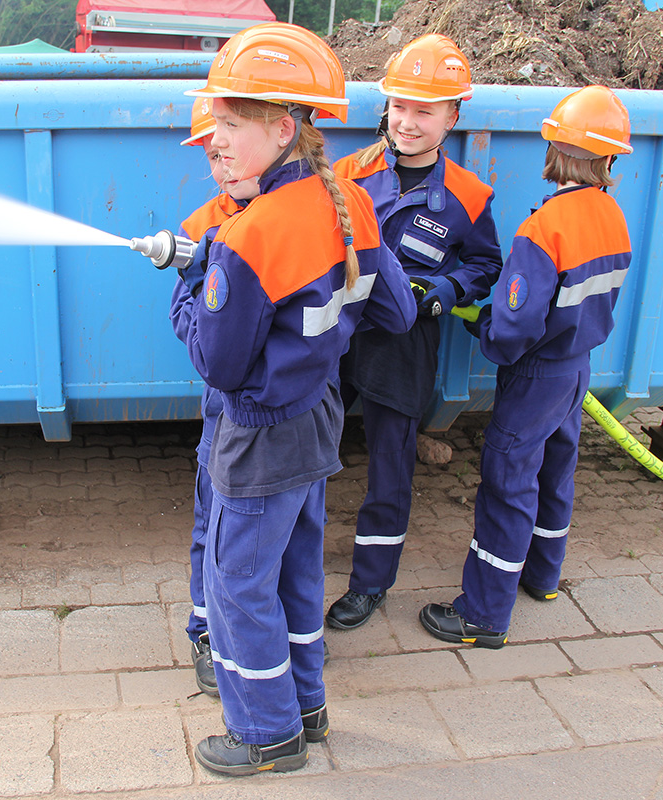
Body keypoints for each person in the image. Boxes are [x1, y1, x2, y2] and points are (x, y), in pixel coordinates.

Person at [171, 22, 417, 776]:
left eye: (231, 123)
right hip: (316, 421)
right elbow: (397, 312)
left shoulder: (247, 238)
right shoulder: (348, 202)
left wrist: (190, 284)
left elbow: (217, 364)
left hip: (259, 435)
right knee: (297, 572)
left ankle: (267, 734)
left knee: (237, 584)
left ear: (284, 129)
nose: (215, 139)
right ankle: (307, 707)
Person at [419, 85, 634, 649]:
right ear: (609, 160)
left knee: (508, 483)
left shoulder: (544, 228)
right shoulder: (612, 216)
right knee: (555, 473)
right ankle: (542, 576)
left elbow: (514, 329)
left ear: (553, 151)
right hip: (575, 370)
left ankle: (483, 615)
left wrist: (483, 326)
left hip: (536, 376)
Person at [326, 34, 503, 631]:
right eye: (399, 105)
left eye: (424, 110)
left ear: (453, 116)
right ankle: (289, 561)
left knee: (390, 466)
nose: (407, 121)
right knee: (307, 449)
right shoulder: (347, 174)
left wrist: (446, 290)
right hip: (338, 333)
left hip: (404, 345)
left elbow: (485, 265)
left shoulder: (469, 197)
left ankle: (370, 583)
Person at [170, 97, 260, 697]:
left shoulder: (288, 214)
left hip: (281, 405)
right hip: (226, 404)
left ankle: (271, 632)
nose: (221, 160)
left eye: (228, 142)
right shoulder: (201, 225)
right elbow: (183, 320)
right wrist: (200, 293)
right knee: (214, 516)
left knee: (272, 528)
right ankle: (206, 628)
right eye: (210, 152)